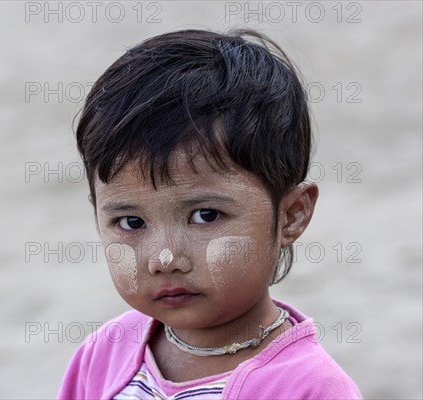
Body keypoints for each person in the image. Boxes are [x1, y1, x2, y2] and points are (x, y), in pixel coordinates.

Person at [58, 28, 362, 399]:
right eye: (131, 222)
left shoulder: (309, 387)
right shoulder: (105, 352)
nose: (164, 258)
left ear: (290, 215)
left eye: (205, 216)